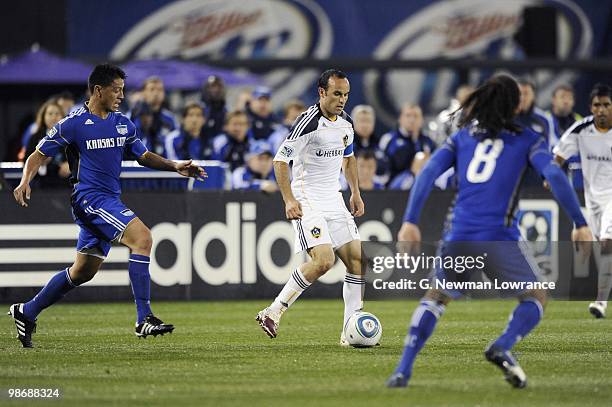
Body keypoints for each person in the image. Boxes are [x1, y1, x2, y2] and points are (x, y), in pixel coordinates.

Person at [385, 74, 592, 388]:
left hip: (458, 236)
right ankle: (503, 345)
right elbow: (555, 174)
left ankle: (402, 371)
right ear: (514, 104)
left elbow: (427, 171)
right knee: (535, 296)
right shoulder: (527, 139)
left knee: (436, 298)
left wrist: (411, 221)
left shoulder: (462, 137)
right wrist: (581, 223)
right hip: (499, 237)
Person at [9, 64, 206, 348]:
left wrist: (175, 166)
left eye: (123, 90)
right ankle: (144, 318)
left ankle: (26, 311)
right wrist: (25, 179)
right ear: (98, 90)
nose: (121, 96)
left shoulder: (123, 123)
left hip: (109, 199)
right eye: (116, 90)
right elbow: (38, 154)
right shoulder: (73, 123)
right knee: (143, 238)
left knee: (82, 271)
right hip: (89, 199)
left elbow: (144, 155)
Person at [255, 69, 366, 346]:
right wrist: (289, 199)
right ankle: (274, 311)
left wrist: (355, 192)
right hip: (308, 199)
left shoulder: (346, 123)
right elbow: (280, 161)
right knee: (324, 261)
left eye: (346, 95)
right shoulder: (307, 122)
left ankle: (350, 332)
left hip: (334, 199)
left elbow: (349, 158)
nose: (342, 100)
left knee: (357, 263)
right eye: (337, 94)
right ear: (322, 92)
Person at [553, 84, 612, 318]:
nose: (602, 110)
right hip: (593, 201)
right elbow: (558, 155)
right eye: (597, 105)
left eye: (606, 105)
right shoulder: (581, 130)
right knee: (600, 246)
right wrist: (551, 175)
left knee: (607, 243)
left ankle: (600, 302)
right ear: (591, 108)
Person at [379, 103, 436, 186]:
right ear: (400, 119)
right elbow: (381, 169)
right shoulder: (389, 139)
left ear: (422, 120)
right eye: (408, 116)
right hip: (394, 190)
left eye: (416, 116)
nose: (412, 120)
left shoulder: (428, 142)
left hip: (422, 186)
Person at [21, 100, 71, 189]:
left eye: (57, 113)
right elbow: (26, 162)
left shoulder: (70, 137)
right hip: (40, 187)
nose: (53, 117)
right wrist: (40, 163)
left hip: (65, 187)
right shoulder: (35, 137)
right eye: (50, 114)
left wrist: (70, 166)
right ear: (43, 116)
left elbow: (81, 158)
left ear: (63, 117)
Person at [200, 75, 227, 140]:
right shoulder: (200, 109)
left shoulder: (225, 110)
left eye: (217, 87)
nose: (215, 90)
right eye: (212, 87)